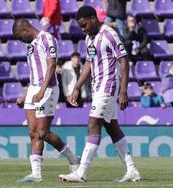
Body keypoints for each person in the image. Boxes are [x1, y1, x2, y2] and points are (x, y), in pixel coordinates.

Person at [59, 6, 141, 183]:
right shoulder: (89, 38)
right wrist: (76, 87)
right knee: (112, 128)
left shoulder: (109, 34)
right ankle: (132, 169)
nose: (83, 29)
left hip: (109, 86)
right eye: (81, 27)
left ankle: (81, 172)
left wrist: (124, 91)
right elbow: (88, 64)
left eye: (85, 25)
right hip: (97, 87)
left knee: (93, 123)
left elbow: (124, 62)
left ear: (93, 19)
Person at [12, 18, 80, 182]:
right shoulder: (31, 46)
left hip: (48, 89)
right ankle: (36, 174)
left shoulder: (46, 38)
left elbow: (51, 66)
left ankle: (73, 159)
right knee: (32, 133)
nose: (20, 40)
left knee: (42, 133)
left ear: (26, 29)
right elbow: (36, 71)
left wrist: (42, 90)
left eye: (20, 36)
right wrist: (27, 93)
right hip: (34, 89)